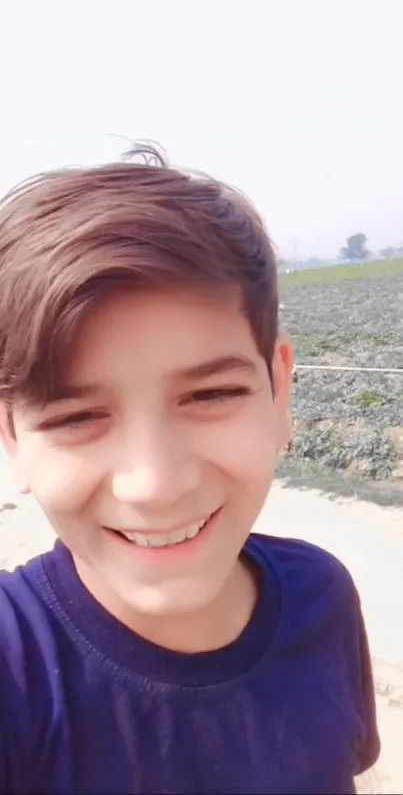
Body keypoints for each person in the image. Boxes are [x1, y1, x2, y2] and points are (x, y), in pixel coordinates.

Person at [0, 145, 379, 794]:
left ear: (279, 390)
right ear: (11, 434)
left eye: (210, 396)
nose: (153, 484)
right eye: (75, 416)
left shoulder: (323, 595)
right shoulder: (15, 669)